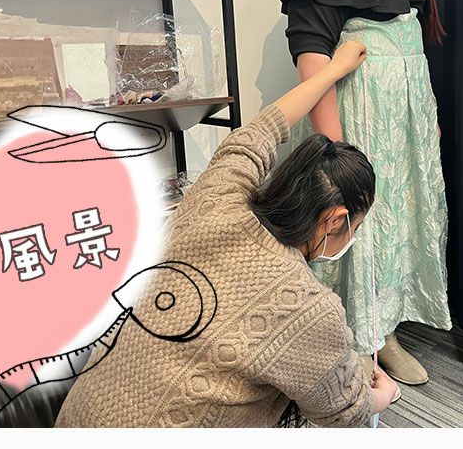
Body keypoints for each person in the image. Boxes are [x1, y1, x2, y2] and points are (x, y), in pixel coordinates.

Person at [56, 40, 399, 428]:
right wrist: (384, 395)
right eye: (356, 227)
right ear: (335, 220)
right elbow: (344, 410)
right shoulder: (309, 310)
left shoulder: (218, 193)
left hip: (78, 417)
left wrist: (334, 70)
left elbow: (264, 128)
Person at [280, 0, 452, 393]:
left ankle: (383, 329)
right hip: (361, 120)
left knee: (395, 224)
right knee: (356, 225)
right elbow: (314, 58)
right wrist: (336, 155)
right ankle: (353, 345)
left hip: (402, 127)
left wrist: (425, 121)